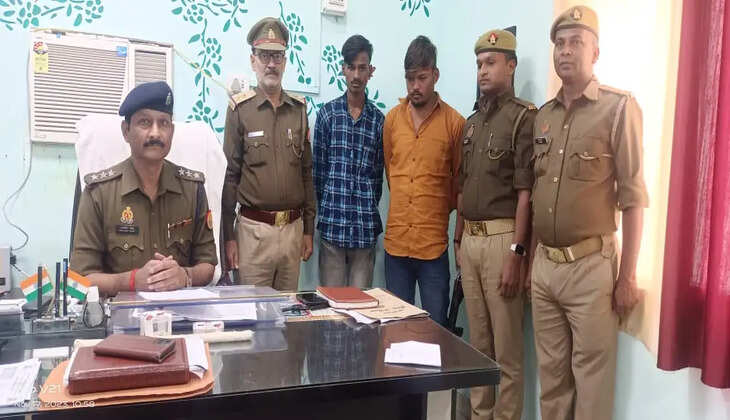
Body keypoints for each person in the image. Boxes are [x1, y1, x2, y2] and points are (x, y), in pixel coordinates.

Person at [528, 6, 648, 420]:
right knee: (551, 384)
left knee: (592, 386)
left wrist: (627, 276)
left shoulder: (618, 108)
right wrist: (530, 262)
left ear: (595, 52)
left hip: (590, 270)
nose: (565, 51)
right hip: (545, 267)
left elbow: (633, 197)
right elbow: (538, 192)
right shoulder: (543, 117)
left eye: (576, 42)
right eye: (560, 44)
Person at [70, 81, 217, 296]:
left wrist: (185, 276)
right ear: (126, 131)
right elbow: (78, 281)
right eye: (145, 122)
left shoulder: (192, 189)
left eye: (163, 123)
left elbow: (208, 265)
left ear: (172, 131)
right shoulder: (99, 193)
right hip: (120, 311)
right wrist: (130, 281)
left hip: (180, 310)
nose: (155, 133)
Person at [454, 29, 535, 420]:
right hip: (470, 242)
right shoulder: (471, 123)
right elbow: (462, 186)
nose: (483, 71)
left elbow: (526, 193)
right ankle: (479, 415)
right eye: (479, 64)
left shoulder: (523, 118)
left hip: (503, 241)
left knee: (507, 353)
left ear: (511, 65)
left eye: (491, 63)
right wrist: (457, 240)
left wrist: (517, 252)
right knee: (478, 347)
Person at [222, 17, 315, 291]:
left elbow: (307, 173)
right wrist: (228, 237)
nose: (271, 64)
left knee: (287, 312)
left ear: (285, 61)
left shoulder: (299, 110)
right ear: (253, 61)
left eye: (277, 56)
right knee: (252, 311)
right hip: (253, 234)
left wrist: (309, 229)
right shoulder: (240, 110)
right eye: (264, 56)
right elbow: (229, 176)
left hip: (293, 231)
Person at [383, 35, 464, 325]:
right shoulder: (392, 120)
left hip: (433, 249)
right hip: (396, 248)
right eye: (409, 78)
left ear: (435, 75)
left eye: (422, 78)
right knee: (395, 328)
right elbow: (392, 173)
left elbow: (459, 184)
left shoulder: (455, 123)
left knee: (436, 330)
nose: (415, 86)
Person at [313, 34, 384, 288]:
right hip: (333, 226)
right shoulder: (327, 115)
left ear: (370, 71)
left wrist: (365, 204)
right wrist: (331, 204)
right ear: (342, 68)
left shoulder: (379, 121)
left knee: (361, 305)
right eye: (351, 67)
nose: (356, 75)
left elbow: (377, 178)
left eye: (362, 68)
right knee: (331, 303)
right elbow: (319, 173)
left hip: (364, 229)